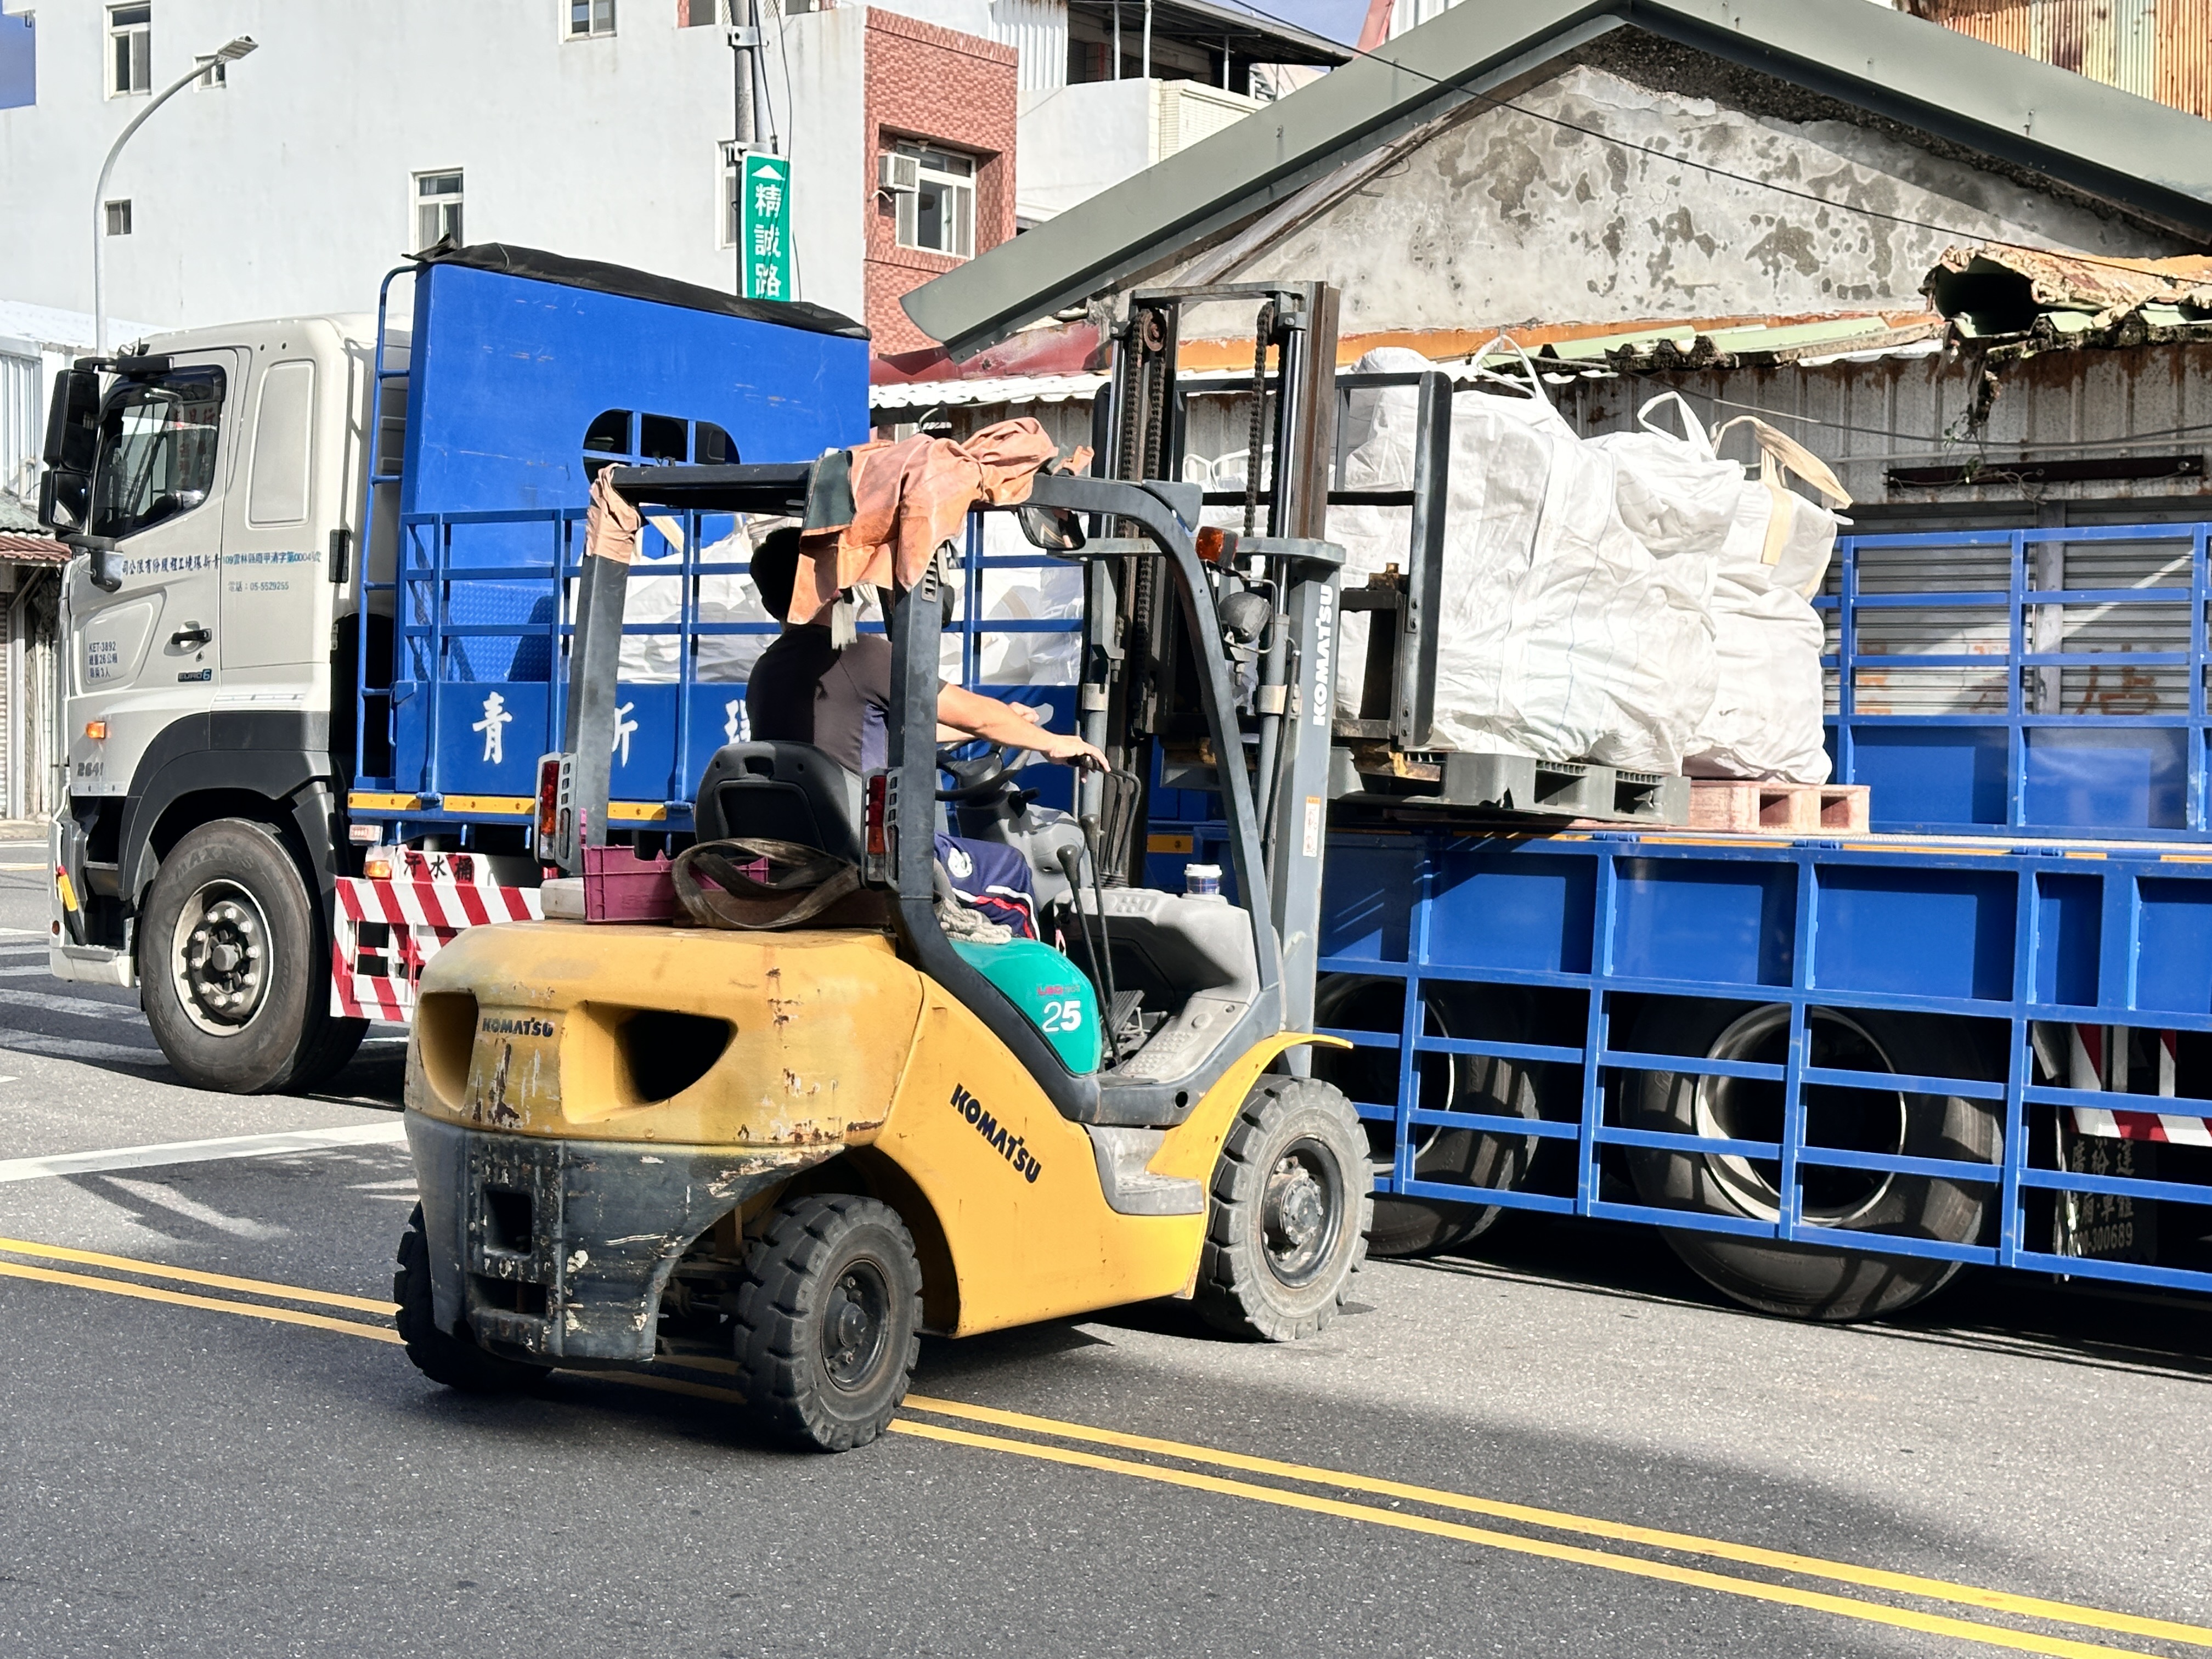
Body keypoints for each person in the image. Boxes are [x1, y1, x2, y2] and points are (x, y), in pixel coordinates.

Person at [744, 527, 1107, 776]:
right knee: (1010, 871)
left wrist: (995, 728)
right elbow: (976, 714)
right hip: (858, 845)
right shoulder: (856, 656)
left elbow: (880, 732)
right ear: (831, 586)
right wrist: (1053, 742)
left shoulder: (766, 669)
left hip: (803, 835)